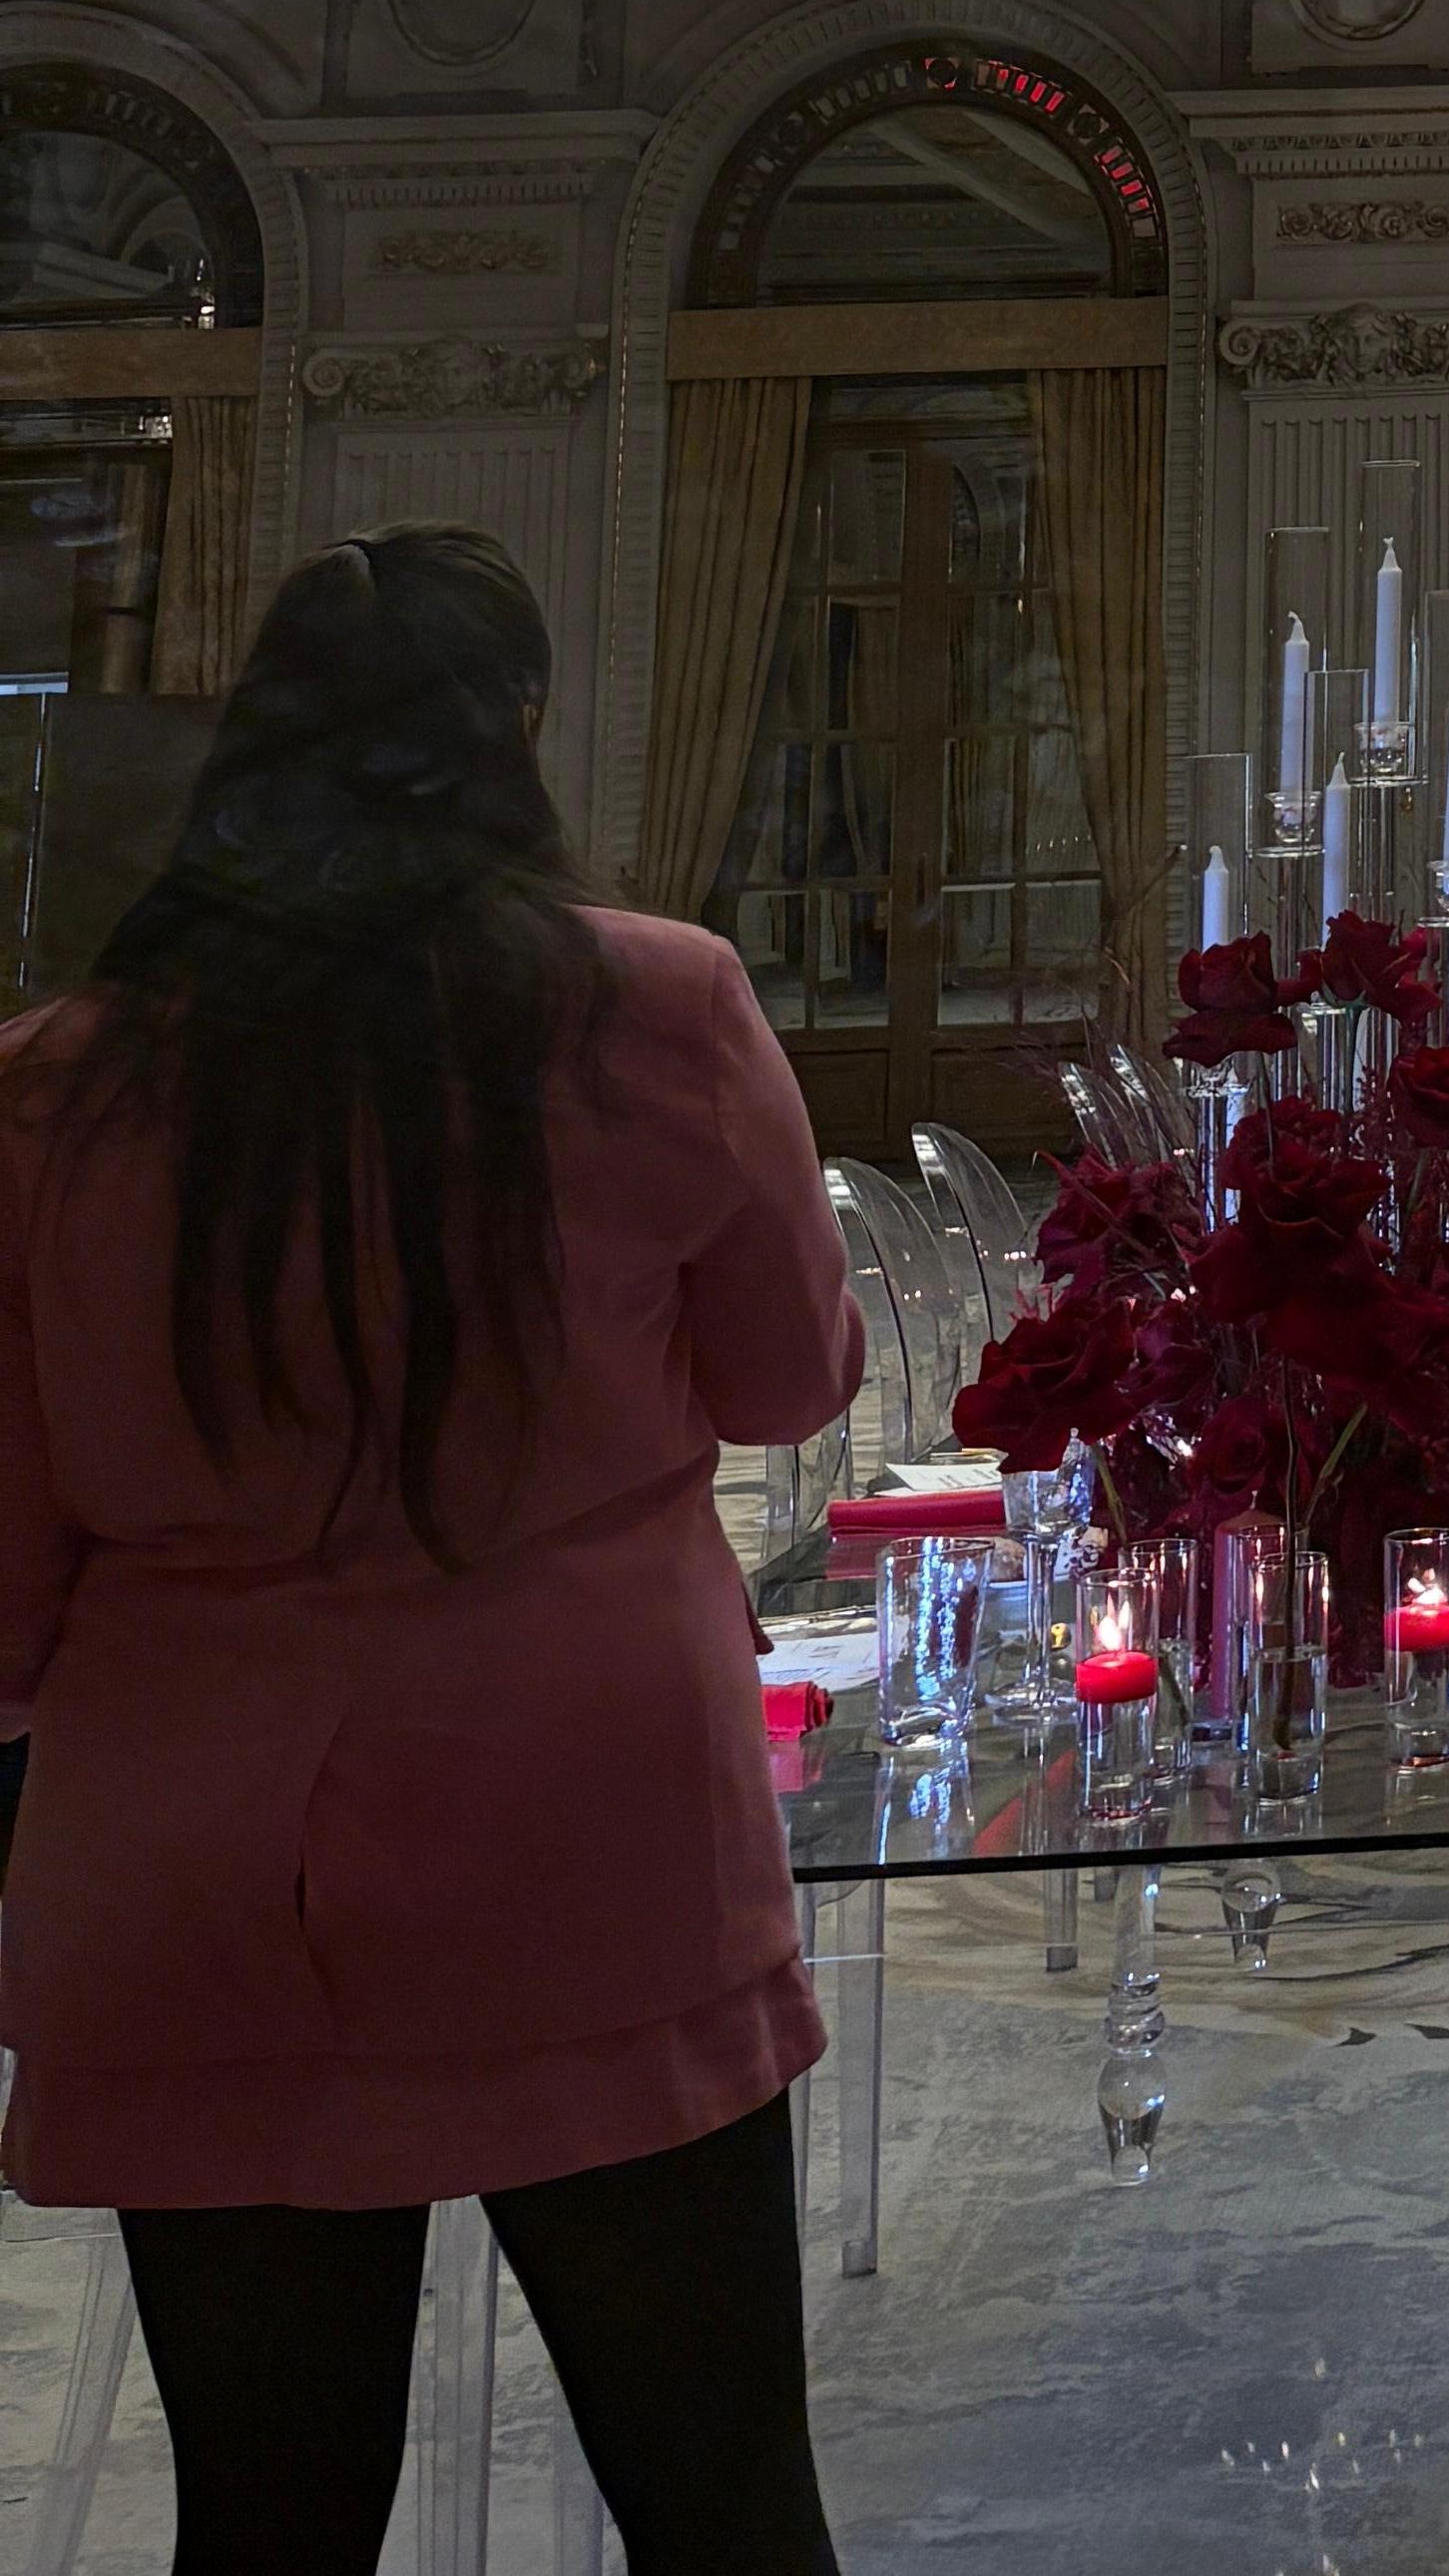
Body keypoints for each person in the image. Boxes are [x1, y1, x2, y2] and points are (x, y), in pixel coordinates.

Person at [0, 526, 862, 2572]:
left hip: (189, 1835)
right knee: (722, 2502)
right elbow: (785, 1377)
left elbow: (11, 1565)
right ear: (521, 739)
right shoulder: (655, 1005)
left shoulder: (55, 1088)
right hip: (588, 1806)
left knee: (268, 2526)